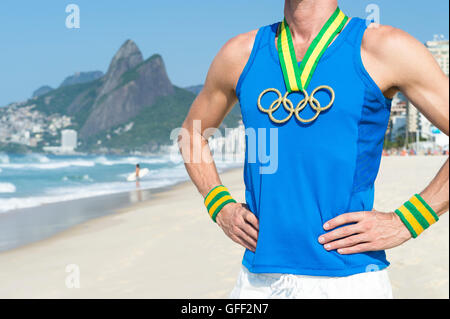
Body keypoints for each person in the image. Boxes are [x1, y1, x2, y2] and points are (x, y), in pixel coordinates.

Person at [179, 0, 449, 298]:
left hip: (350, 279)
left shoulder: (384, 47)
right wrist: (219, 205)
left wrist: (408, 220)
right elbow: (191, 134)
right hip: (257, 280)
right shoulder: (240, 53)